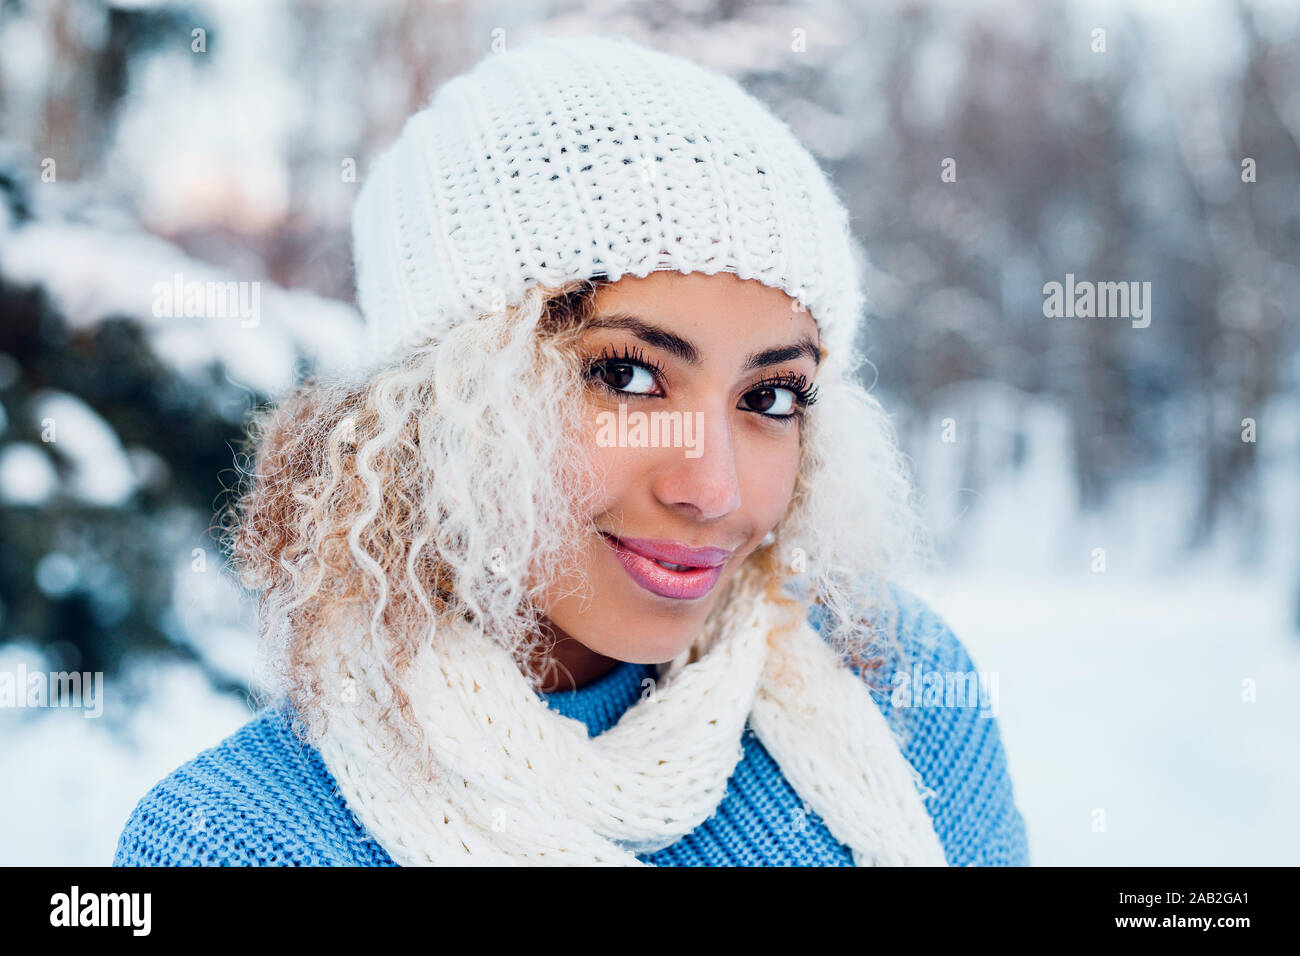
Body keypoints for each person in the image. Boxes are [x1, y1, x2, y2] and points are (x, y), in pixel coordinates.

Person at [113, 33, 1030, 866]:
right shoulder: (238, 840)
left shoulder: (895, 688)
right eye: (628, 378)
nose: (712, 487)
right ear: (442, 396)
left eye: (771, 396)